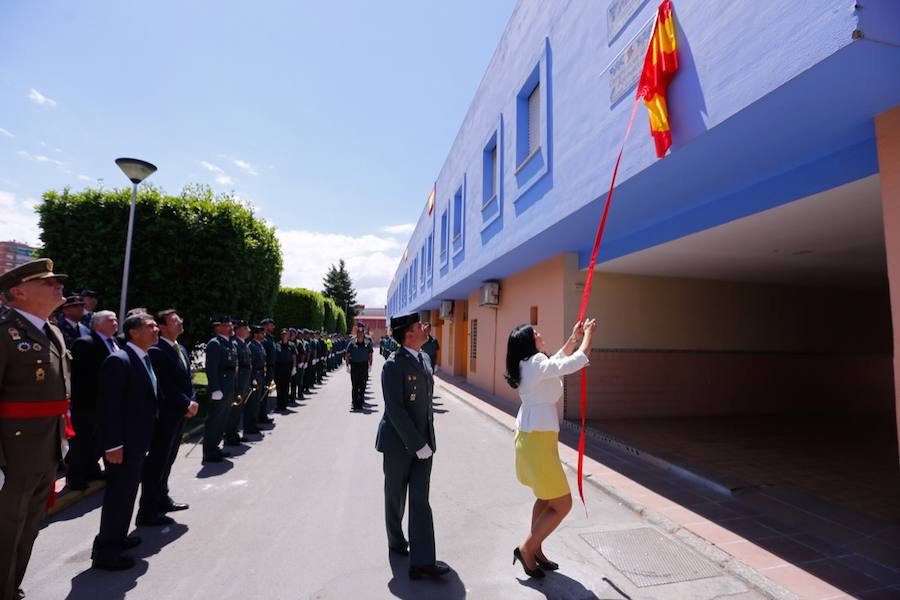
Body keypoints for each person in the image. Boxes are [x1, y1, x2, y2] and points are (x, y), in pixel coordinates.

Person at [504, 318, 597, 578]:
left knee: (546, 497)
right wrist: (589, 336)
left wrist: (573, 338)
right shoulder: (535, 363)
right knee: (563, 504)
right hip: (537, 440)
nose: (540, 334)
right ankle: (527, 548)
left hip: (532, 438)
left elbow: (554, 362)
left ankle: (535, 549)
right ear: (529, 342)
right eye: (536, 333)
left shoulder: (529, 364)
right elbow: (573, 363)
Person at [0, 259, 70, 600]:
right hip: (11, 455)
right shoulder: (3, 331)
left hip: (46, 448)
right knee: (5, 531)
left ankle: (11, 588)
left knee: (28, 528)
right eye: (47, 281)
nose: (57, 284)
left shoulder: (51, 330)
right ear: (18, 291)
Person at [376, 312, 450, 580]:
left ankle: (422, 561)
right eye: (420, 326)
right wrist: (416, 443)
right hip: (398, 445)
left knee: (420, 500)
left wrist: (426, 442)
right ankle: (396, 542)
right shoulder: (393, 365)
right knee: (395, 498)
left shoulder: (425, 358)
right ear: (408, 334)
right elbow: (395, 410)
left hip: (424, 444)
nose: (425, 327)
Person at [91, 312, 160, 571]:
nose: (156, 330)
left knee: (128, 493)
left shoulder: (143, 358)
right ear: (134, 332)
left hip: (137, 440)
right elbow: (109, 407)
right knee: (119, 496)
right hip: (124, 445)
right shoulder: (119, 361)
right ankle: (106, 553)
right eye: (150, 327)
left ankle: (117, 539)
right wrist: (113, 445)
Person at [137, 309, 197, 526]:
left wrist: (192, 399)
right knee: (157, 462)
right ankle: (147, 511)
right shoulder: (157, 350)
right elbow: (165, 385)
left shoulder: (180, 348)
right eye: (174, 320)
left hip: (179, 412)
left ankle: (162, 498)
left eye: (179, 318)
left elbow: (188, 378)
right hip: (165, 414)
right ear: (162, 327)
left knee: (169, 459)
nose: (180, 322)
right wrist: (186, 402)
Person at [67, 310, 120, 490]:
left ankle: (92, 469)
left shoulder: (115, 342)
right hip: (87, 402)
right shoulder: (85, 343)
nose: (115, 323)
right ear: (98, 325)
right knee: (82, 442)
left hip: (107, 402)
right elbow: (81, 376)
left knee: (98, 440)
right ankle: (75, 477)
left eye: (115, 320)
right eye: (110, 320)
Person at [203, 317, 237, 463]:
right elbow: (211, 368)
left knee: (222, 420)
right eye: (228, 325)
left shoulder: (228, 343)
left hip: (228, 386)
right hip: (221, 387)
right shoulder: (215, 344)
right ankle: (209, 452)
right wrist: (215, 388)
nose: (231, 327)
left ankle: (215, 447)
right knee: (214, 420)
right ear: (220, 327)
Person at [225, 320, 252, 445]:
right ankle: (230, 436)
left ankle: (234, 433)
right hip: (239, 381)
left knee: (238, 410)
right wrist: (236, 383)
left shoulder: (243, 344)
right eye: (246, 328)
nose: (249, 330)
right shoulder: (235, 344)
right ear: (239, 329)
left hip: (244, 380)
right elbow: (236, 366)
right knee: (234, 410)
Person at [244, 326, 267, 434]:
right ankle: (249, 427)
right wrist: (252, 378)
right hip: (255, 374)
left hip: (261, 374)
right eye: (262, 333)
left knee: (257, 402)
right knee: (252, 403)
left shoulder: (259, 345)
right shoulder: (251, 346)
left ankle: (253, 424)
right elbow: (251, 364)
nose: (264, 335)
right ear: (256, 334)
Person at [346, 327, 373, 410]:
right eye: (359, 333)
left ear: (363, 334)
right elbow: (347, 354)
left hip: (364, 366)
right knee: (355, 385)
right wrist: (347, 365)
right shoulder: (352, 343)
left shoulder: (367, 343)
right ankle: (354, 403)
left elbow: (370, 355)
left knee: (362, 385)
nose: (360, 334)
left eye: (362, 333)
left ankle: (360, 402)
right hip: (354, 366)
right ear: (357, 334)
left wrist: (370, 365)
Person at [259, 318, 276, 424]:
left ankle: (263, 414)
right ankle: (260, 416)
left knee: (265, 392)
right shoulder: (263, 339)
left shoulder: (270, 338)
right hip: (265, 368)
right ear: (265, 326)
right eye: (271, 325)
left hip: (270, 368)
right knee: (262, 394)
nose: (273, 327)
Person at [273, 329, 295, 412]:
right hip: (279, 367)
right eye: (283, 334)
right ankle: (279, 405)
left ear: (288, 336)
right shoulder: (277, 345)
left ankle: (284, 404)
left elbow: (294, 357)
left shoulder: (291, 345)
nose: (284, 336)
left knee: (286, 386)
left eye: (286, 334)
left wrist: (294, 367)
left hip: (287, 367)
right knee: (279, 386)